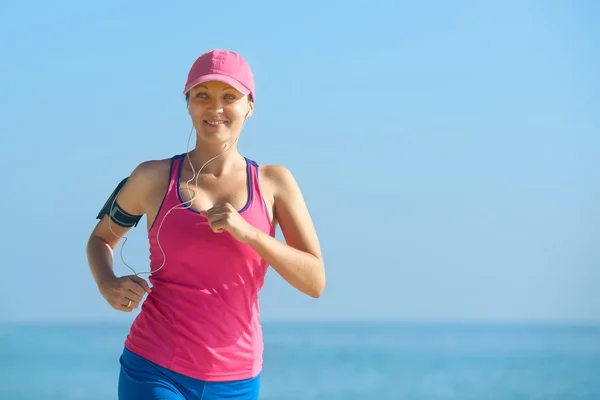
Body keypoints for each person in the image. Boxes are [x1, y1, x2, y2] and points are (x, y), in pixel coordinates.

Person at [85, 49, 326, 400]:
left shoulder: (275, 184)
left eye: (229, 97)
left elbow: (315, 281)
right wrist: (107, 282)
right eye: (202, 96)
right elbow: (101, 239)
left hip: (238, 379)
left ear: (249, 106)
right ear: (188, 104)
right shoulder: (152, 178)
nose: (215, 109)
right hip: (155, 367)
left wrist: (249, 233)